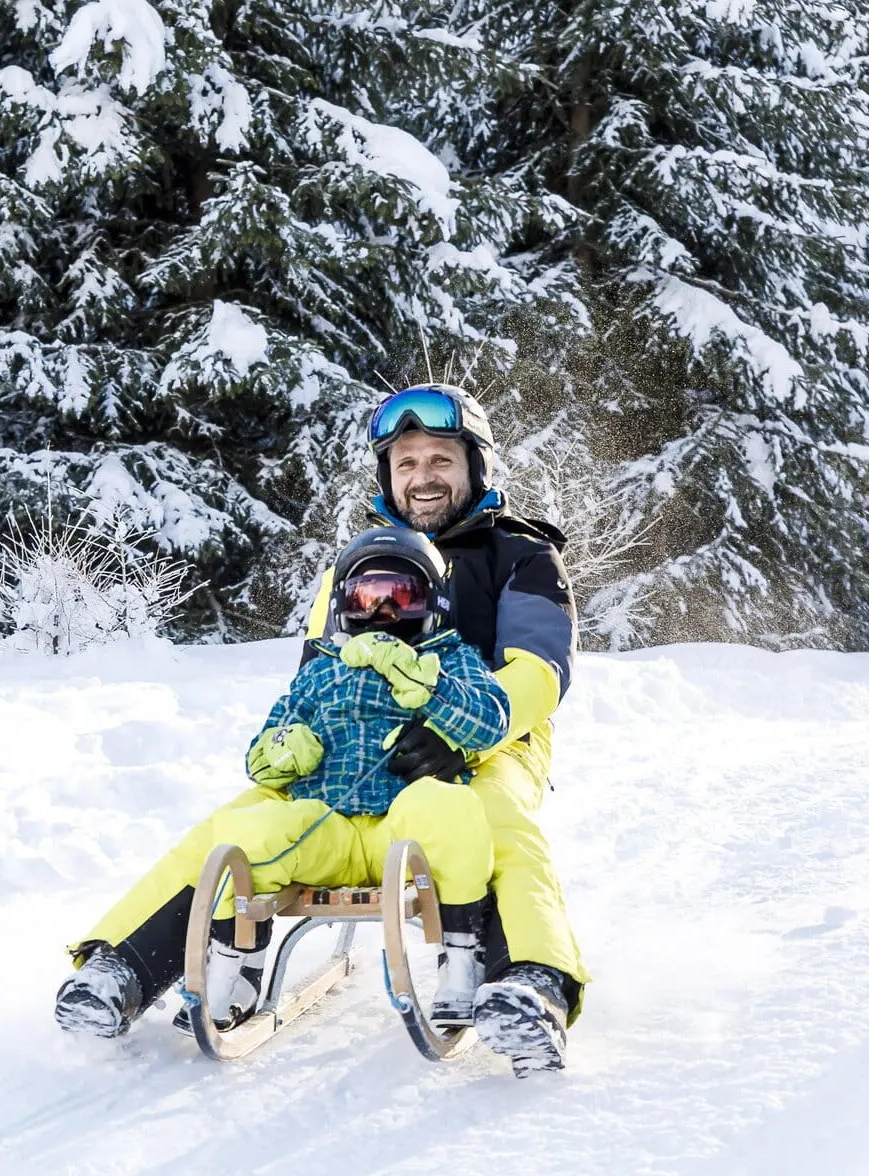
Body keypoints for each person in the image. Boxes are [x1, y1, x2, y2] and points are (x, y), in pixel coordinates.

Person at [57, 383, 589, 1074]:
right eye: (406, 463)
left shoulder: (521, 555)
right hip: (354, 741)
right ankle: (118, 968)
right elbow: (315, 666)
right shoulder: (357, 564)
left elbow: (540, 673)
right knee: (243, 817)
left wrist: (459, 735)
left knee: (496, 820)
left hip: (490, 738)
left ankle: (534, 984)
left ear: (474, 467)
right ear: (388, 476)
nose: (422, 476)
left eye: (439, 460)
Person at [55, 526, 511, 1038]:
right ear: (344, 605)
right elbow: (262, 751)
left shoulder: (450, 659)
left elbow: (493, 720)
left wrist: (425, 682)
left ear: (430, 605)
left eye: (400, 598)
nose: (382, 614)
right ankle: (237, 965)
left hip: (403, 826)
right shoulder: (321, 671)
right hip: (326, 827)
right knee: (246, 831)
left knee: (452, 809)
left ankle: (462, 962)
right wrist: (283, 750)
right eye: (368, 598)